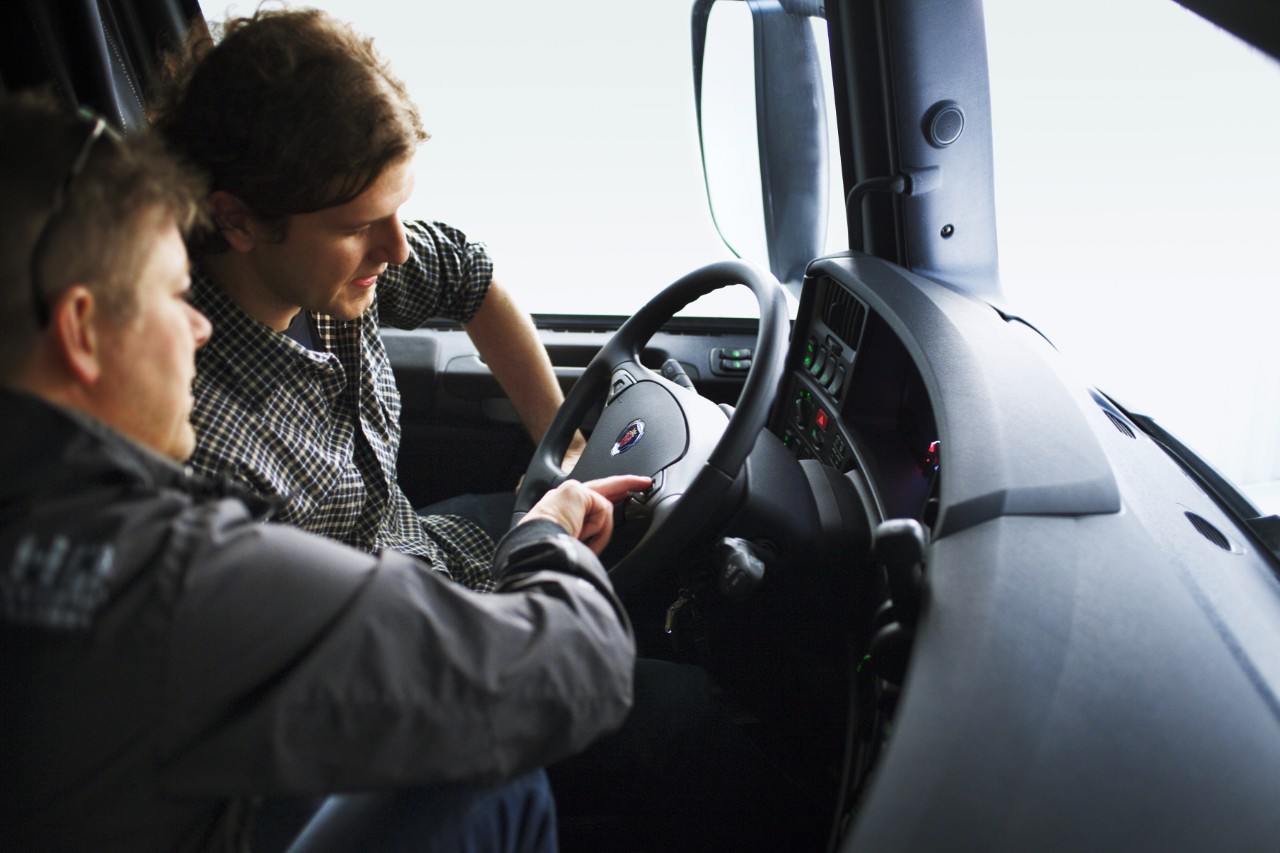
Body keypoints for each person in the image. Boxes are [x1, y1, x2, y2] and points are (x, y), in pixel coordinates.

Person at [0, 93, 641, 853]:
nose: (198, 325)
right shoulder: (170, 578)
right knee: (502, 779)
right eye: (174, 296)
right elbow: (573, 671)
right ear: (81, 328)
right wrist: (545, 537)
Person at [148, 7, 583, 594]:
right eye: (357, 227)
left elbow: (471, 279)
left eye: (396, 212)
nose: (398, 249)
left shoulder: (324, 279)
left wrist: (564, 447)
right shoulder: (206, 449)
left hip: (416, 548)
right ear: (238, 220)